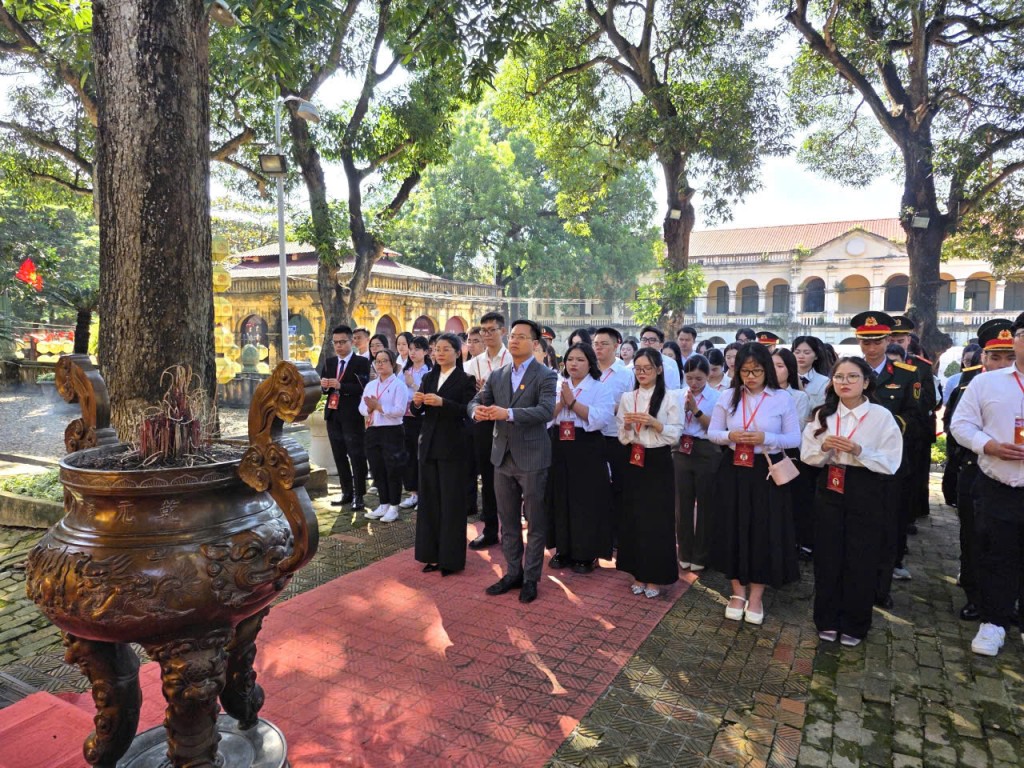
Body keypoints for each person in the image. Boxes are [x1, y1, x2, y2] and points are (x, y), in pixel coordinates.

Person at [801, 357, 903, 647]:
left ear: (866, 382)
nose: (844, 382)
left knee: (861, 556)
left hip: (865, 487)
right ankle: (827, 618)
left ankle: (856, 623)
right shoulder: (824, 414)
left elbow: (892, 462)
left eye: (852, 377)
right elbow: (807, 454)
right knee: (828, 554)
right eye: (839, 377)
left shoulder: (881, 417)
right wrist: (823, 446)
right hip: (830, 484)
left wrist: (860, 450)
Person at [708, 342, 801, 625]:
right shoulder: (728, 396)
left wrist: (766, 439)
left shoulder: (781, 398)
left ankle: (757, 595)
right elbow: (713, 432)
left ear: (767, 370)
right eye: (745, 371)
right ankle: (737, 592)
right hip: (734, 468)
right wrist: (730, 436)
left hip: (766, 471)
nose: (750, 377)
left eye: (757, 371)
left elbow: (795, 439)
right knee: (733, 527)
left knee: (762, 530)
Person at [951, 313, 1024, 657]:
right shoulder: (986, 383)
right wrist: (989, 445)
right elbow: (960, 425)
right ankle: (994, 622)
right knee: (996, 553)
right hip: (999, 483)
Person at [469, 319, 557, 604]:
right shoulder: (499, 374)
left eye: (522, 337)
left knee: (534, 521)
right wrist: (477, 412)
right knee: (507, 521)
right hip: (502, 457)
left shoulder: (545, 375)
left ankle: (531, 578)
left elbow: (545, 411)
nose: (516, 341)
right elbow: (477, 400)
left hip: (532, 457)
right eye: (514, 336)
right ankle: (512, 573)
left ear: (534, 344)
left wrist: (507, 414)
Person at [849, 311, 922, 607]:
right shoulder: (849, 371)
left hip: (888, 463)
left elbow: (916, 418)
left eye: (877, 340)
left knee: (886, 527)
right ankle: (853, 582)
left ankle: (880, 588)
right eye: (865, 341)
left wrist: (884, 427)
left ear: (888, 339)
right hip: (853, 462)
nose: (871, 347)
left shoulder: (905, 374)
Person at [617, 348, 683, 598]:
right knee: (633, 516)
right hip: (634, 458)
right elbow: (622, 437)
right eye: (638, 368)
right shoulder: (627, 397)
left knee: (657, 519)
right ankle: (638, 573)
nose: (642, 373)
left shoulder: (670, 397)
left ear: (659, 369)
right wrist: (626, 426)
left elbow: (675, 434)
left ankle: (656, 577)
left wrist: (654, 423)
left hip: (658, 460)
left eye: (647, 368)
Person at [546, 343, 615, 573]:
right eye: (570, 359)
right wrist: (560, 402)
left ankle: (587, 554)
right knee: (560, 496)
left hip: (587, 447)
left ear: (590, 363)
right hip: (559, 445)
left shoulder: (599, 387)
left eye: (580, 360)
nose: (574, 364)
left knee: (585, 501)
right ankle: (563, 550)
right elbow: (545, 418)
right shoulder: (557, 384)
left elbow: (600, 419)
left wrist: (573, 403)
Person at [412, 333, 477, 575]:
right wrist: (417, 403)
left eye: (445, 349)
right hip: (428, 445)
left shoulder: (465, 379)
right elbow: (416, 410)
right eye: (436, 349)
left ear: (457, 352)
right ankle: (431, 554)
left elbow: (469, 410)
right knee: (429, 503)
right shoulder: (429, 377)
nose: (439, 353)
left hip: (453, 447)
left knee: (451, 503)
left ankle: (451, 559)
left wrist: (443, 403)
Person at [463, 311, 510, 550]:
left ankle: (515, 531)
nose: (488, 334)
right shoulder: (473, 364)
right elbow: (466, 398)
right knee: (489, 479)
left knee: (513, 480)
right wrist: (477, 397)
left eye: (492, 330)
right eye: (484, 330)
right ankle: (491, 530)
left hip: (510, 424)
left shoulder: (513, 360)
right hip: (483, 425)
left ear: (503, 331)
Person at [674, 355, 722, 573]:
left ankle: (701, 554)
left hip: (706, 450)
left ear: (708, 376)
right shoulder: (676, 394)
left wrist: (695, 410)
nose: (694, 383)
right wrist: (680, 410)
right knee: (682, 504)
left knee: (706, 504)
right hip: (682, 449)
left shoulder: (717, 397)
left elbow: (716, 427)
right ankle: (684, 551)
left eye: (699, 379)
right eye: (690, 378)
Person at [890, 316, 939, 525]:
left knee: (910, 478)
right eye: (891, 339)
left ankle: (907, 518)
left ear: (909, 340)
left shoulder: (921, 366)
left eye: (900, 341)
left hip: (911, 431)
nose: (895, 344)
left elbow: (927, 400)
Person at [318, 324, 371, 511]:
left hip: (352, 414)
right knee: (339, 454)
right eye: (335, 343)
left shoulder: (361, 362)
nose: (339, 346)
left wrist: (341, 386)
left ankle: (359, 494)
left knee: (356, 455)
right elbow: (323, 387)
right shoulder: (330, 362)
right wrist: (324, 385)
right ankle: (346, 491)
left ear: (352, 342)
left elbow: (364, 388)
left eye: (342, 342)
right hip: (333, 413)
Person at [593, 327, 637, 549]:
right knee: (595, 489)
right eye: (596, 343)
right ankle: (598, 535)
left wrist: (610, 408)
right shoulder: (588, 370)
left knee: (618, 488)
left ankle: (617, 536)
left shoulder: (626, 374)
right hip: (591, 437)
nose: (598, 348)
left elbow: (630, 406)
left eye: (604, 344)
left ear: (616, 346)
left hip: (616, 438)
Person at [358, 348, 409, 522]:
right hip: (373, 430)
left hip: (392, 431)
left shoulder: (399, 385)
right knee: (377, 468)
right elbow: (361, 408)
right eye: (377, 361)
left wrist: (379, 407)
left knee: (392, 469)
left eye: (384, 361)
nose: (380, 364)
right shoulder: (371, 385)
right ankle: (383, 503)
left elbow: (400, 410)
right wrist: (369, 408)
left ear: (392, 364)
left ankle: (394, 506)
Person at [399, 337, 432, 510]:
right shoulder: (405, 370)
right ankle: (413, 493)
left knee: (423, 455)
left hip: (424, 417)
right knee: (409, 454)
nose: (413, 352)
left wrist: (413, 384)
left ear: (426, 352)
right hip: (407, 417)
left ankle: (425, 494)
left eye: (417, 349)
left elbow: (428, 393)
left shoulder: (430, 371)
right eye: (411, 349)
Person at [792, 336, 830, 411]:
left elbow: (822, 409)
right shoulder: (785, 378)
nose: (801, 356)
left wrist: (802, 392)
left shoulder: (824, 382)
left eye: (806, 353)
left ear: (816, 356)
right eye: (797, 352)